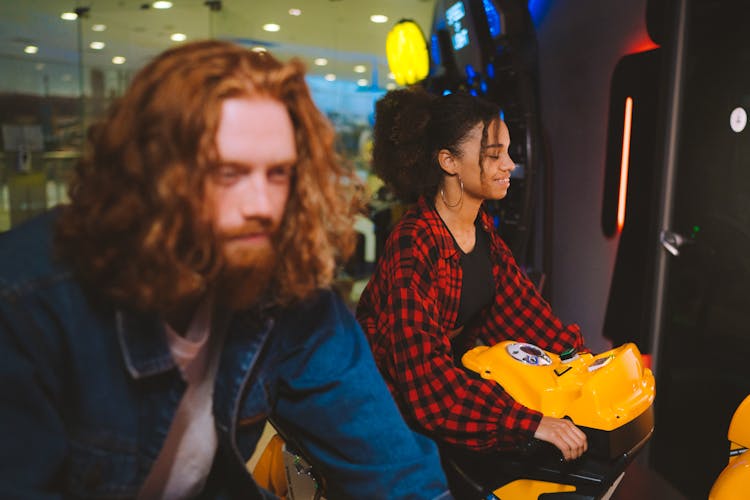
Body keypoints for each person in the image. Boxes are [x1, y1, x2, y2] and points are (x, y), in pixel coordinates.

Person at [0, 40, 452, 499]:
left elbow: (395, 469)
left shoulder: (283, 285)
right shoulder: (28, 304)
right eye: (227, 173)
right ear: (152, 174)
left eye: (278, 173)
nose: (262, 206)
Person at [355, 88, 589, 493]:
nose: (510, 166)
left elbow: (527, 317)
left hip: (430, 408)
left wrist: (586, 364)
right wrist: (527, 422)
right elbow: (426, 385)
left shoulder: (482, 235)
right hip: (381, 415)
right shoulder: (414, 244)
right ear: (449, 162)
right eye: (494, 155)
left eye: (508, 153)